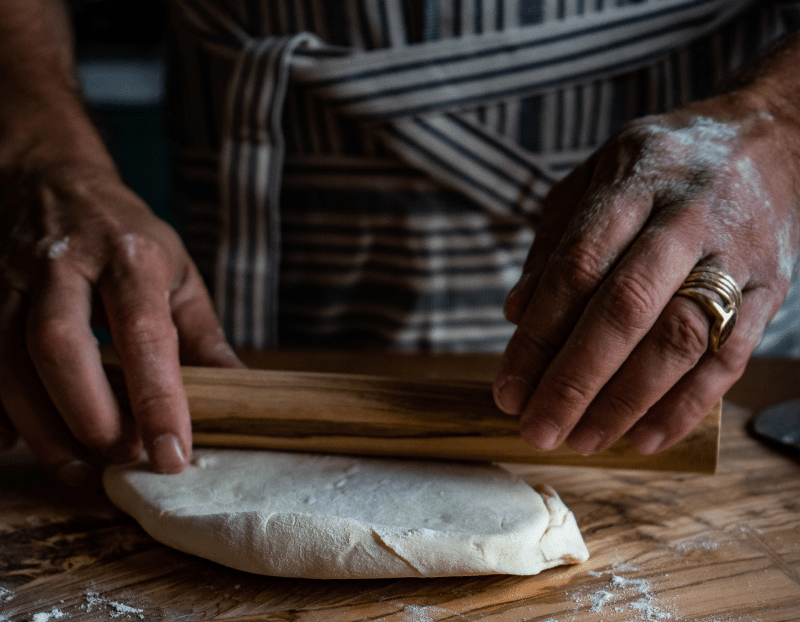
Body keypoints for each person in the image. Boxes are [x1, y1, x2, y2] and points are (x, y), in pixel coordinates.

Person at [1, 0, 798, 487]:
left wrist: (783, 128)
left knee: (670, 350)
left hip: (705, 221)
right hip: (277, 188)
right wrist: (39, 143)